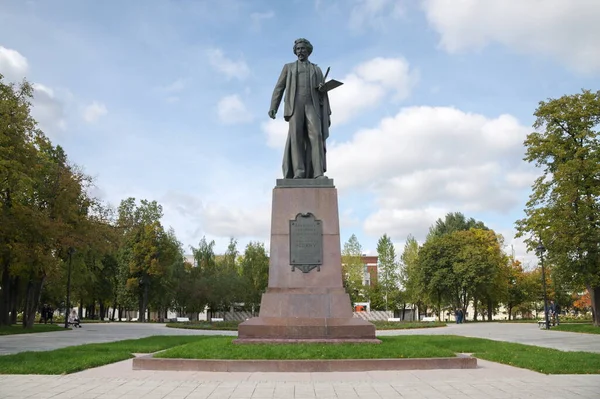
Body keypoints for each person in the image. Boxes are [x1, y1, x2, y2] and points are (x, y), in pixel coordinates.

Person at [269, 38, 332, 179]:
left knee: (316, 136)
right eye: (298, 49)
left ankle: (317, 173)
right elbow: (279, 87)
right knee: (296, 137)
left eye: (303, 48)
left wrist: (322, 89)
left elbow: (322, 92)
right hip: (294, 104)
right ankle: (299, 172)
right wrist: (274, 106)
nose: (300, 51)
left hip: (312, 104)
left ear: (308, 51)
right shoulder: (289, 67)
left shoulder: (316, 69)